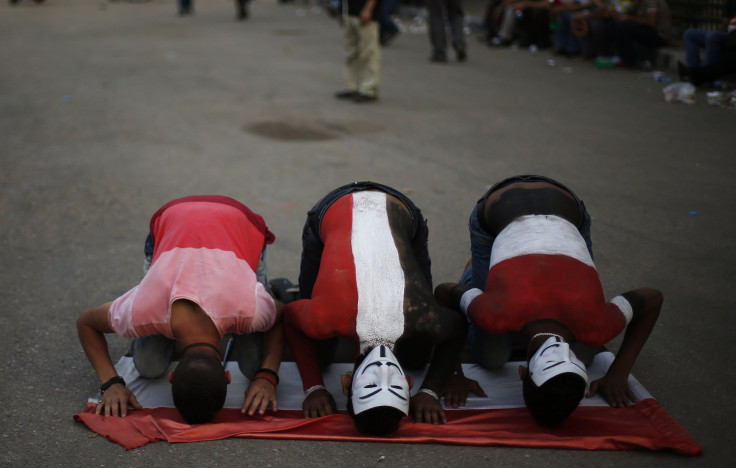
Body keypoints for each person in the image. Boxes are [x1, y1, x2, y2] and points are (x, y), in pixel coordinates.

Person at [434, 175, 663, 426]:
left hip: (559, 201)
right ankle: (474, 275)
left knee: (493, 355)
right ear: (521, 372)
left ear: (522, 372)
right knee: (490, 357)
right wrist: (452, 372)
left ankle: (480, 277)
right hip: (503, 211)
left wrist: (618, 373)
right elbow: (445, 292)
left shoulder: (598, 325)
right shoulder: (494, 313)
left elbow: (652, 298)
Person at [283, 182, 476, 435]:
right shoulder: (419, 317)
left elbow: (289, 315)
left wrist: (314, 386)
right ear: (408, 383)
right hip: (397, 210)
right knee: (417, 358)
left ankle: (322, 279)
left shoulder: (327, 319)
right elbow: (457, 326)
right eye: (395, 386)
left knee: (320, 356)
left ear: (350, 381)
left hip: (337, 206)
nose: (383, 371)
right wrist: (430, 389)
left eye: (372, 384)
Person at [77, 196, 284, 424]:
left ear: (227, 377)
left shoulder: (247, 308)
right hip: (203, 219)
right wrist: (110, 383)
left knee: (254, 366)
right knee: (149, 365)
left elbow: (282, 315)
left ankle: (266, 293)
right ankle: (263, 298)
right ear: (172, 376)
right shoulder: (143, 309)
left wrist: (267, 375)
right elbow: (85, 323)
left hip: (221, 220)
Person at [335, 0, 382, 102]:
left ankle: (369, 89)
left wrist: (368, 9)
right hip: (350, 12)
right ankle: (353, 86)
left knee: (368, 53)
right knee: (351, 52)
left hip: (366, 13)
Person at [679, 4, 736, 86]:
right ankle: (693, 70)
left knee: (713, 37)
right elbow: (726, 23)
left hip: (731, 40)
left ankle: (700, 77)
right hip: (730, 37)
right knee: (689, 34)